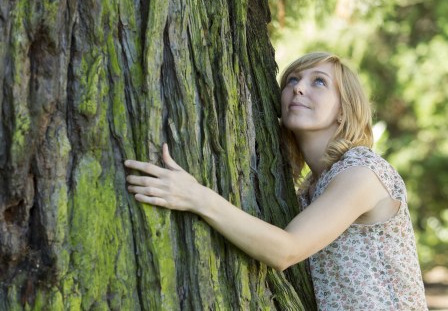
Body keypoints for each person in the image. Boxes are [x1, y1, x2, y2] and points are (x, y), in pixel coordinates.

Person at [125, 52, 428, 310]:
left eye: (318, 82)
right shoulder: (312, 187)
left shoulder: (362, 173)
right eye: (292, 80)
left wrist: (195, 197)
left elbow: (287, 250)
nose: (298, 89)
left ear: (344, 110)